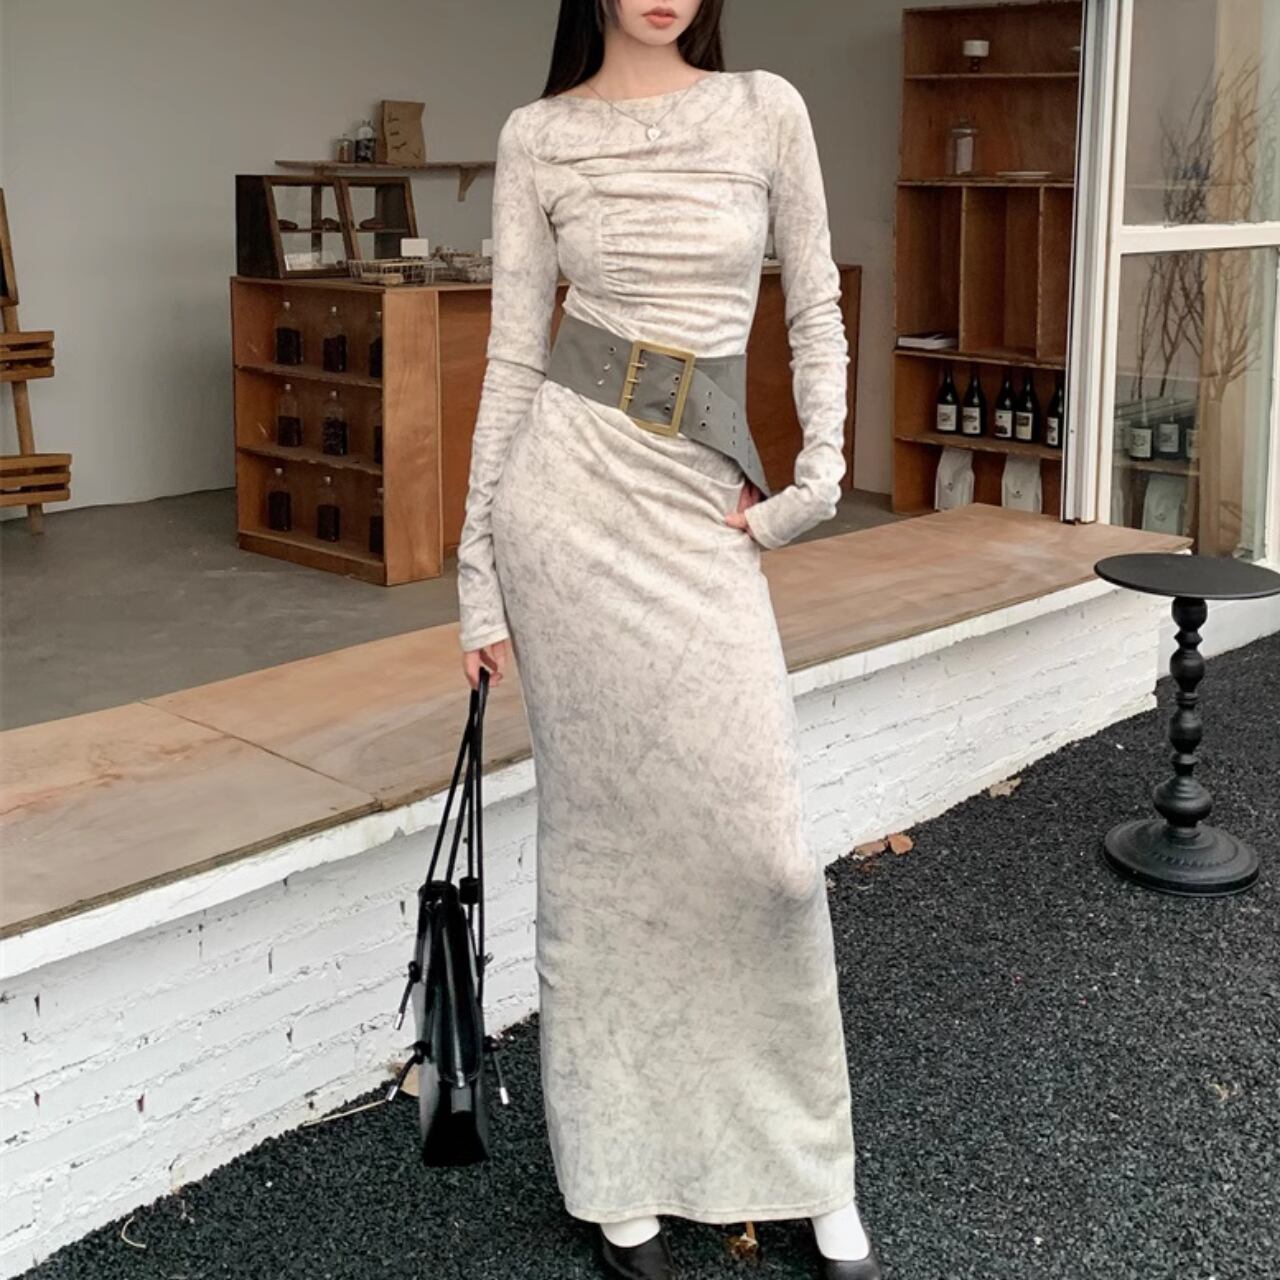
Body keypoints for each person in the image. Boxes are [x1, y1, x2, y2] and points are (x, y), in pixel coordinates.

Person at [456, 2, 880, 1277]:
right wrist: (476, 576)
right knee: (603, 859)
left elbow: (813, 305)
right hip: (565, 510)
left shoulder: (763, 107)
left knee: (769, 859)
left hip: (700, 510)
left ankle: (807, 1164)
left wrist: (817, 482)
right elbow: (511, 358)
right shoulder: (537, 135)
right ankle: (618, 1166)